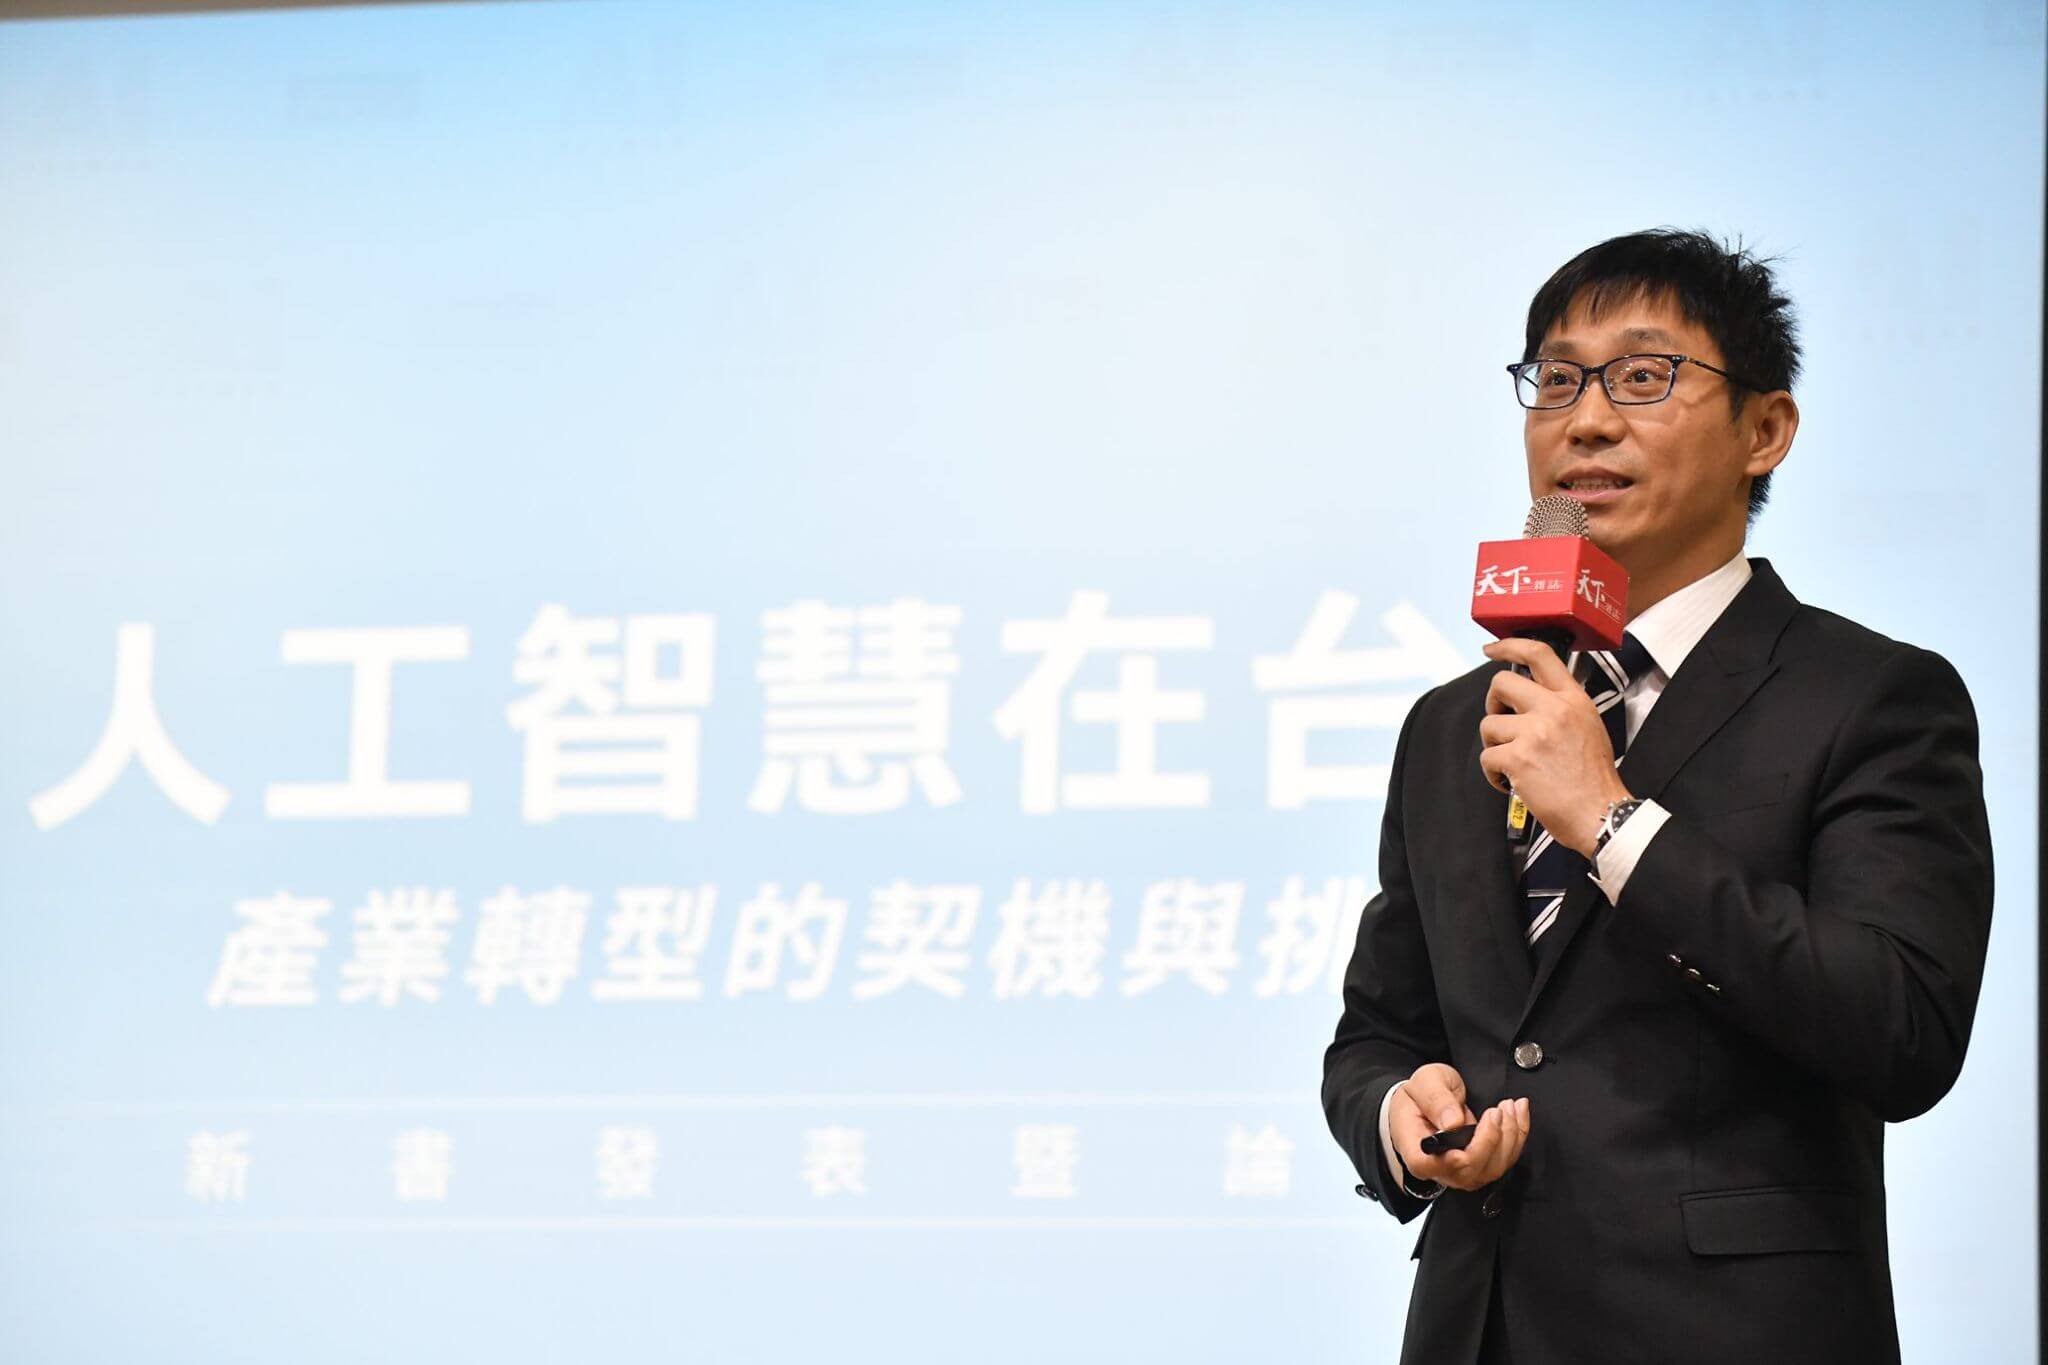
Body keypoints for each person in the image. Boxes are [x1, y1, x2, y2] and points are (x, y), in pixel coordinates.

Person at [1320, 228, 1993, 1365]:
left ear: (1764, 430)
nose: (1584, 421)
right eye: (1556, 380)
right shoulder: (1458, 719)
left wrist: (1610, 820)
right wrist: (1400, 1113)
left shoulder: (1871, 697)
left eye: (1641, 376)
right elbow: (1378, 1032)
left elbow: (1902, 1030)